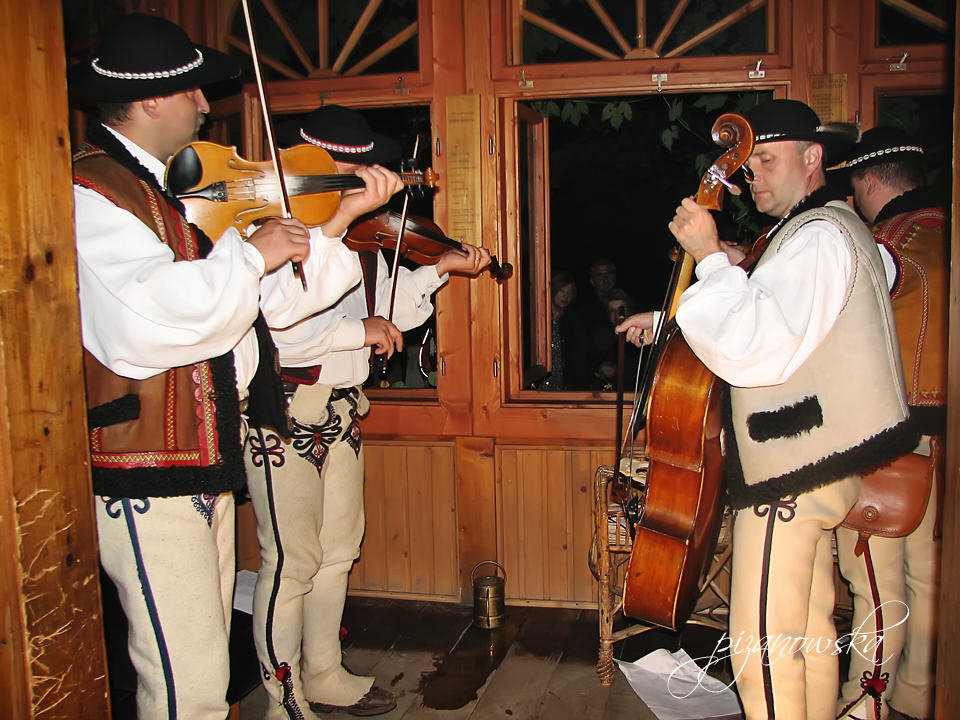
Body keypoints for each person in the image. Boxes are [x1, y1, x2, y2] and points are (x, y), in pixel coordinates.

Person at [68, 15, 396, 719]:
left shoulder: (171, 195)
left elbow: (275, 308)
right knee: (186, 686)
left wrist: (328, 227)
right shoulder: (93, 193)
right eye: (191, 91)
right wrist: (252, 255)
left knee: (206, 674)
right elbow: (150, 319)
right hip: (148, 469)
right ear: (151, 99)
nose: (204, 105)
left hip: (203, 457)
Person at [617, 99, 918, 719]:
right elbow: (772, 302)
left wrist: (707, 255)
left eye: (766, 160)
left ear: (813, 158)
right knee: (805, 630)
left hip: (792, 471)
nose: (751, 174)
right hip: (821, 461)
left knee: (760, 646)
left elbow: (755, 343)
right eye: (748, 164)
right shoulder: (826, 228)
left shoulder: (818, 237)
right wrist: (679, 310)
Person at [243, 105, 492, 719]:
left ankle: (324, 671)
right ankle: (281, 697)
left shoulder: (359, 240)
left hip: (342, 411)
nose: (363, 184)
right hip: (285, 413)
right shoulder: (273, 234)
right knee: (291, 562)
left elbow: (390, 316)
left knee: (337, 551)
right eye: (349, 172)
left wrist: (438, 269)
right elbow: (272, 331)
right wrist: (357, 333)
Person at [834, 127, 947, 720]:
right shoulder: (946, 230)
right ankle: (919, 697)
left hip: (889, 435)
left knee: (874, 583)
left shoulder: (885, 244)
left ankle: (863, 704)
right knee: (930, 580)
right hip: (944, 437)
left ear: (869, 180)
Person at [562, 257, 618, 388]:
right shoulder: (583, 309)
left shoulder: (626, 302)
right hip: (592, 383)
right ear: (592, 281)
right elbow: (578, 348)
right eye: (600, 274)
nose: (605, 278)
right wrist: (598, 366)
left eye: (609, 273)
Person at [536, 271, 577, 390]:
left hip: (564, 383)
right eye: (562, 291)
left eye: (569, 293)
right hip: (539, 382)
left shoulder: (573, 320)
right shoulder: (538, 316)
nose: (565, 296)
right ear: (553, 290)